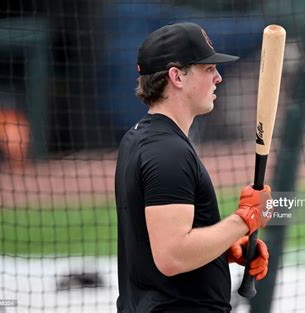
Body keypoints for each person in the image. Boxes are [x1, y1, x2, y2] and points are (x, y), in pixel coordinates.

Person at [114, 22, 272, 313]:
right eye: (208, 69)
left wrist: (222, 249)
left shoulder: (139, 138)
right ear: (177, 76)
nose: (218, 78)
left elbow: (156, 244)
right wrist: (244, 220)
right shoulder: (167, 152)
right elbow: (172, 255)